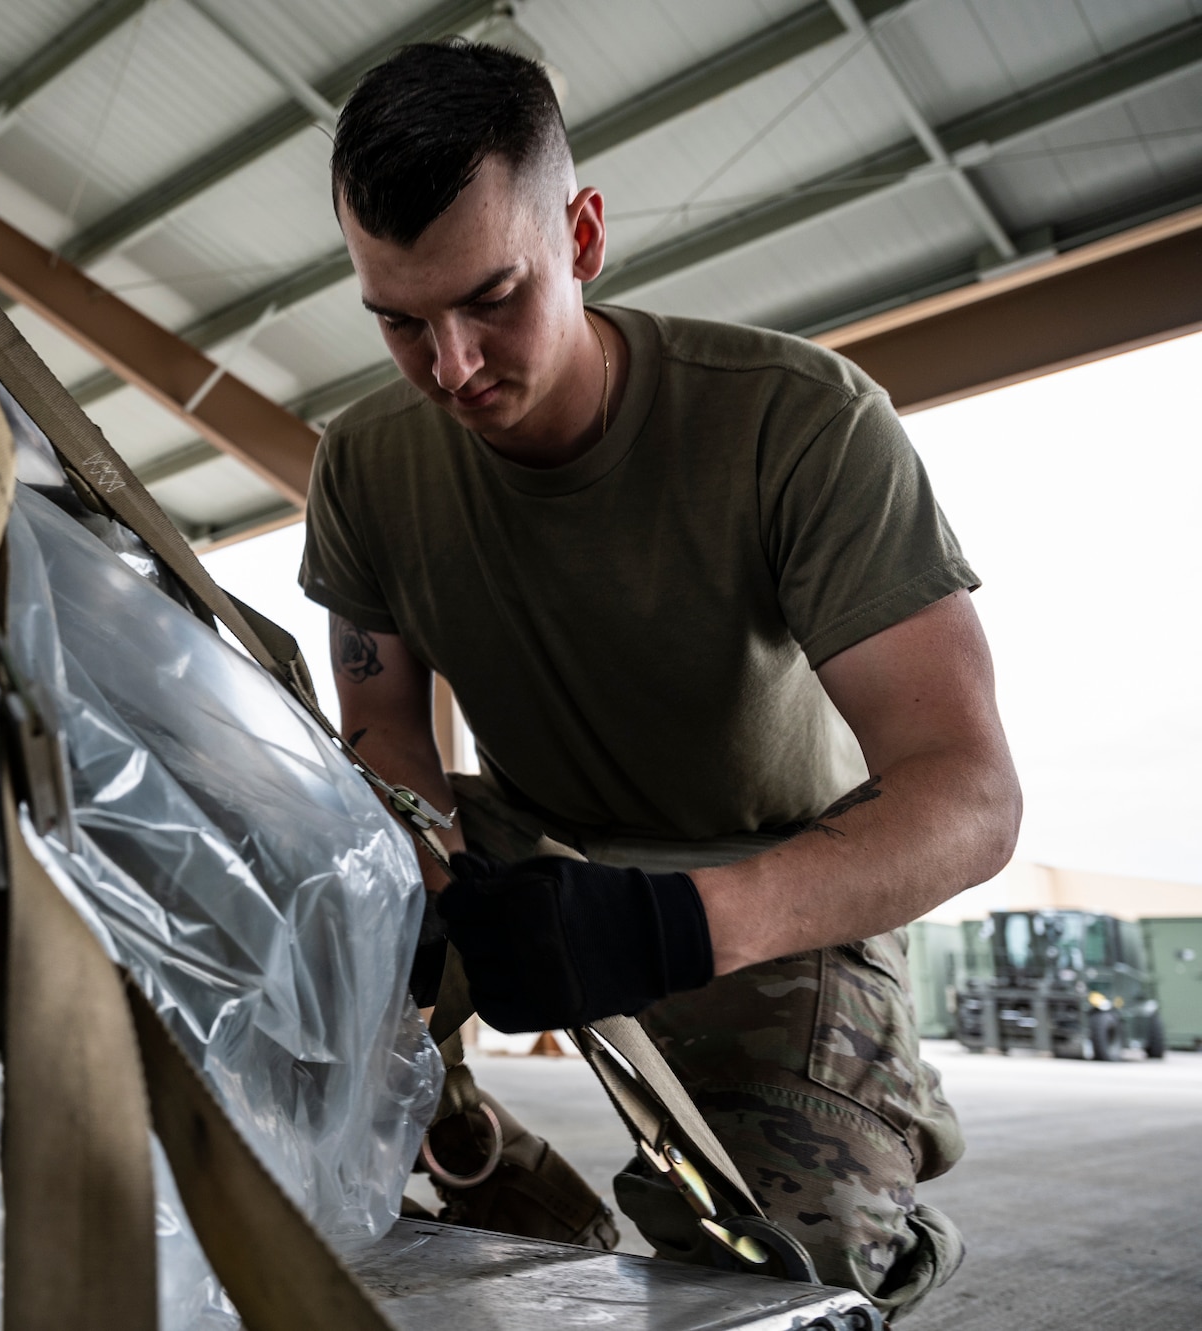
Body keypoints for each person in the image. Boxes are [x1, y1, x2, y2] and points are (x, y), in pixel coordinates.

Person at [300, 40, 1022, 1319]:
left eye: (491, 299)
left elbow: (965, 797)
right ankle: (488, 1168)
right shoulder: (362, 464)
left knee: (776, 1282)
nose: (451, 365)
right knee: (284, 925)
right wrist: (395, 920)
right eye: (399, 321)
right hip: (523, 854)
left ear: (580, 236)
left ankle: (864, 1207)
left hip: (775, 883)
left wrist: (671, 924)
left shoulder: (799, 423)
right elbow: (384, 745)